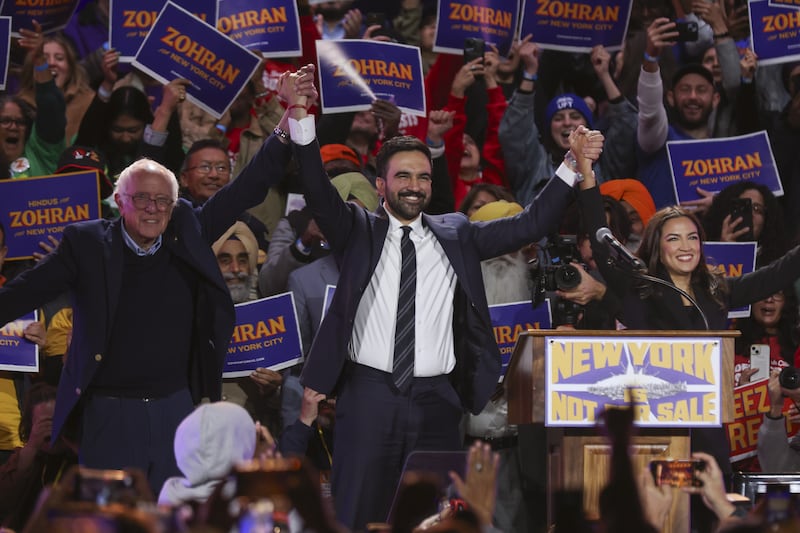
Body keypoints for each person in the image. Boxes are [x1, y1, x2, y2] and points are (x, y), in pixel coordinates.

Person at [282, 64, 603, 530]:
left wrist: (571, 166)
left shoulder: (458, 233)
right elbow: (314, 185)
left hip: (438, 402)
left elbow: (531, 224)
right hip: (369, 396)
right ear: (381, 185)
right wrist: (299, 113)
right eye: (403, 176)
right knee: (358, 515)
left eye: (424, 177)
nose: (415, 185)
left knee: (436, 522)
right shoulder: (356, 229)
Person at [0, 68, 313, 494]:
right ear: (121, 202)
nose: (153, 209)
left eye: (162, 200)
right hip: (109, 411)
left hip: (176, 410)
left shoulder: (188, 229)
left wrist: (289, 116)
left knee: (174, 517)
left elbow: (250, 186)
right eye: (142, 199)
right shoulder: (87, 245)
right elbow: (22, 292)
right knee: (112, 519)